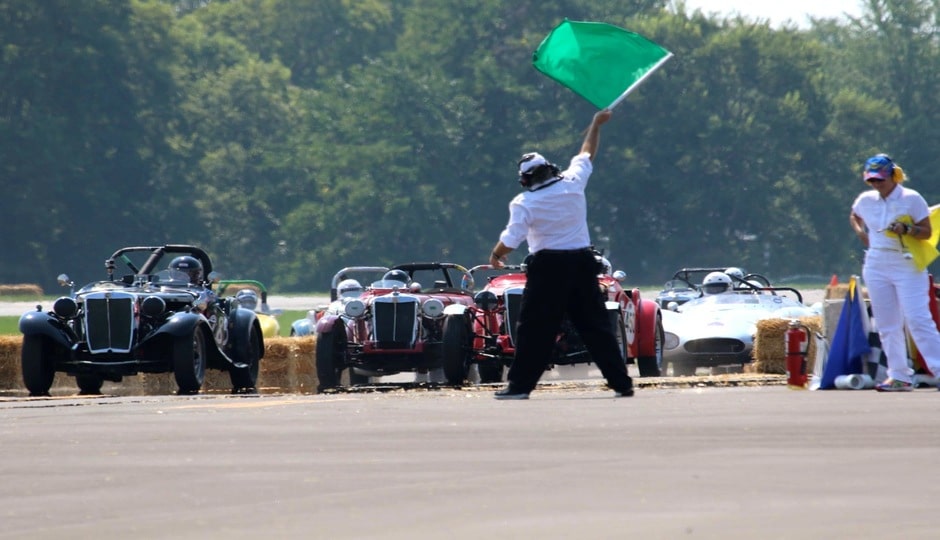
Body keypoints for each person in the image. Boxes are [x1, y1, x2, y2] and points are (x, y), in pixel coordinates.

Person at [488, 109, 634, 399]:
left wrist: (495, 255)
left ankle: (519, 387)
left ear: (525, 179)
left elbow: (511, 239)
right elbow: (586, 153)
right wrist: (595, 124)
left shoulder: (524, 202)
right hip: (582, 263)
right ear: (550, 168)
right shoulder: (572, 184)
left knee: (535, 330)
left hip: (548, 268)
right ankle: (621, 384)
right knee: (596, 328)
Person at [849, 153, 940, 391]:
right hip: (876, 262)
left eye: (880, 179)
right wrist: (861, 233)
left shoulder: (911, 198)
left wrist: (907, 228)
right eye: (872, 180)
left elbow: (927, 232)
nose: (876, 184)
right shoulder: (866, 199)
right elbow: (855, 215)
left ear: (894, 175)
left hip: (906, 262)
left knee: (917, 318)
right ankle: (899, 374)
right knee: (887, 323)